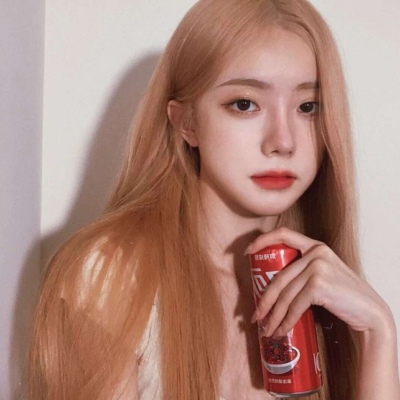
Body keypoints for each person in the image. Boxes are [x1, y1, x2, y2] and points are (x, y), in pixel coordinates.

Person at [28, 0, 400, 399]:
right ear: (186, 122)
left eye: (308, 107)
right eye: (245, 104)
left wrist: (378, 332)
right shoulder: (112, 277)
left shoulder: (323, 287)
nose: (282, 141)